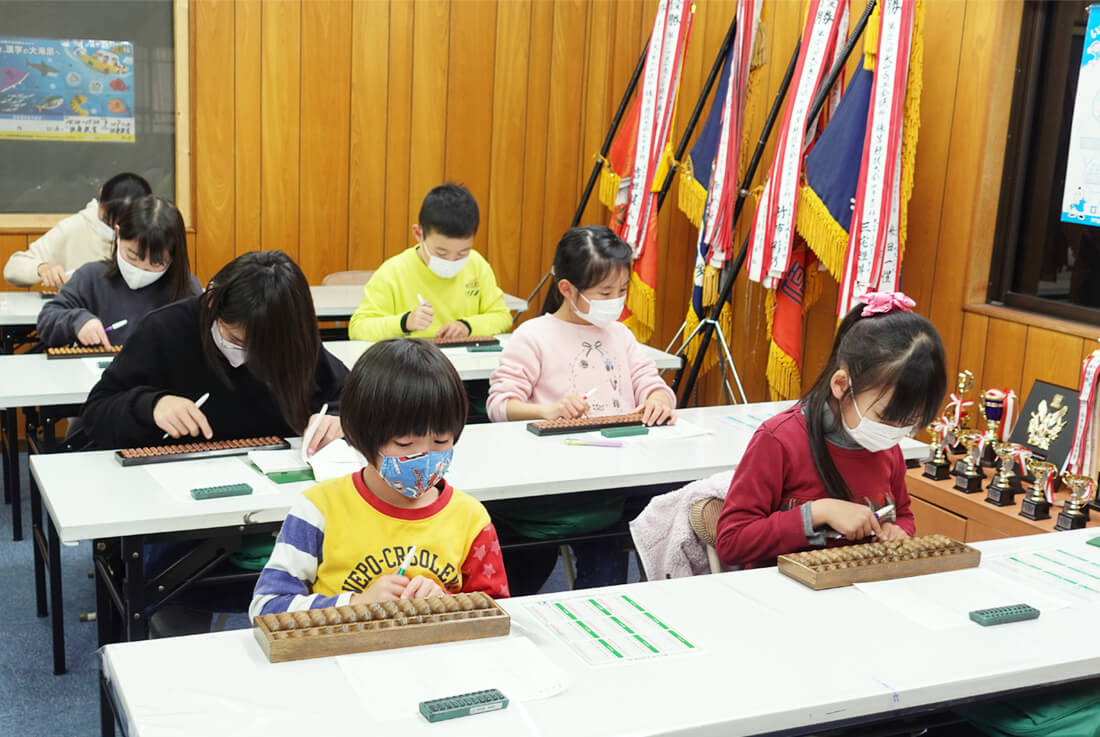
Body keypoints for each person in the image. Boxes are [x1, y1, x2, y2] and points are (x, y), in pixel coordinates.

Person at [249, 338, 509, 617]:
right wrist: (354, 604)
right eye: (404, 445)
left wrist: (447, 603)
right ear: (363, 437)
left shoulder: (470, 519)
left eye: (441, 441)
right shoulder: (319, 510)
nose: (423, 458)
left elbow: (499, 611)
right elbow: (265, 608)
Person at [485, 225, 676, 595]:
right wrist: (546, 410)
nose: (616, 301)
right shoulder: (533, 336)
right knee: (594, 553)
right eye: (605, 293)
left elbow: (653, 383)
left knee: (676, 503)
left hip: (617, 474)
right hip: (561, 482)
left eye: (622, 292)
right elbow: (498, 405)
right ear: (567, 290)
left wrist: (658, 399)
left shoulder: (620, 335)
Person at [715, 292, 947, 569]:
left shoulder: (886, 445)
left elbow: (904, 515)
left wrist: (899, 531)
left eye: (911, 422)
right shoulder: (778, 440)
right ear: (840, 385)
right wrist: (817, 512)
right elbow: (731, 541)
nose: (896, 432)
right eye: (886, 417)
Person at [81, 249, 346, 453]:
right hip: (176, 481)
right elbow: (96, 414)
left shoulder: (291, 340)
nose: (247, 354)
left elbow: (350, 397)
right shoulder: (165, 330)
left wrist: (339, 421)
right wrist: (151, 405)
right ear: (211, 302)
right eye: (236, 339)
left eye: (263, 348)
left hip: (274, 480)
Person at [347, 183, 512, 342]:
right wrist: (404, 322)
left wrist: (467, 326)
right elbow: (358, 328)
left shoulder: (476, 265)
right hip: (412, 364)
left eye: (463, 253)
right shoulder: (393, 272)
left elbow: (502, 317)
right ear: (418, 234)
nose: (451, 261)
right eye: (441, 252)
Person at [36, 195, 200, 348]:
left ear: (173, 257)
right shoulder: (92, 277)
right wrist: (77, 322)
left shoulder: (186, 288)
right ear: (118, 232)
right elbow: (48, 319)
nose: (141, 268)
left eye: (156, 262)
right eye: (132, 256)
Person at [3, 172, 152, 288]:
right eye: (107, 219)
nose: (114, 228)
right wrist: (43, 268)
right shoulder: (74, 227)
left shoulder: (151, 232)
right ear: (101, 195)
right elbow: (13, 267)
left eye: (123, 222)